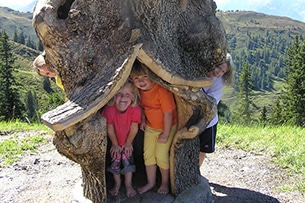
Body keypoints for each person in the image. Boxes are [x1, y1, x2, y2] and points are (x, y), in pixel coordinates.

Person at [130, 60, 177, 195]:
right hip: (151, 127)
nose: (141, 81)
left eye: (145, 77)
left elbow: (168, 114)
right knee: (148, 155)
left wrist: (166, 134)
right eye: (137, 78)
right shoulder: (139, 91)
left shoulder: (161, 91)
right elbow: (143, 107)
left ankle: (165, 183)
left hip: (166, 128)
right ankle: (150, 183)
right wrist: (144, 119)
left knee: (161, 156)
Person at [101, 81, 141, 197]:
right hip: (115, 143)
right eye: (119, 94)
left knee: (127, 162)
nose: (123, 98)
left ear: (133, 97)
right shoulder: (109, 110)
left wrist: (128, 143)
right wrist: (115, 145)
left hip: (128, 142)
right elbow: (110, 129)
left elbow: (134, 128)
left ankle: (128, 185)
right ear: (113, 95)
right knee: (116, 161)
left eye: (128, 95)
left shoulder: (135, 110)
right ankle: (117, 184)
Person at [199, 53, 234, 167]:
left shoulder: (218, 82)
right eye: (218, 68)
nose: (219, 73)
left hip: (208, 120)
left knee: (202, 149)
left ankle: (196, 171)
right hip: (190, 117)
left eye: (223, 71)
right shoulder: (198, 70)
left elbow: (212, 101)